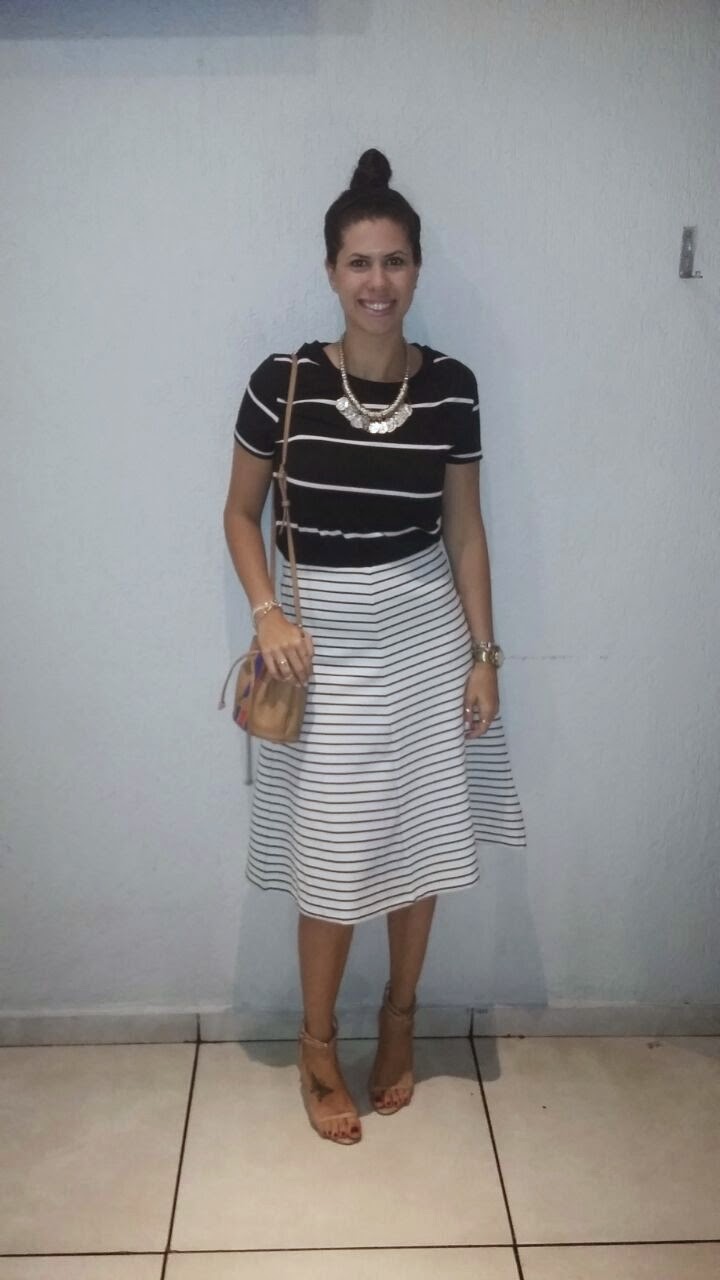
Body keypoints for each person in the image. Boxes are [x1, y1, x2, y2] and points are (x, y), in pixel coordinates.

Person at [223, 148, 526, 1146]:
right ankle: (317, 1047)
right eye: (359, 262)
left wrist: (484, 654)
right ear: (331, 271)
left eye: (395, 260)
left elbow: (466, 531)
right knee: (333, 858)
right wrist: (265, 612)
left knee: (421, 839)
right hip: (321, 650)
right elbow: (239, 513)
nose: (378, 281)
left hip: (427, 637)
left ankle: (401, 1020)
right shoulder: (283, 382)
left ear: (417, 269)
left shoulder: (453, 387)